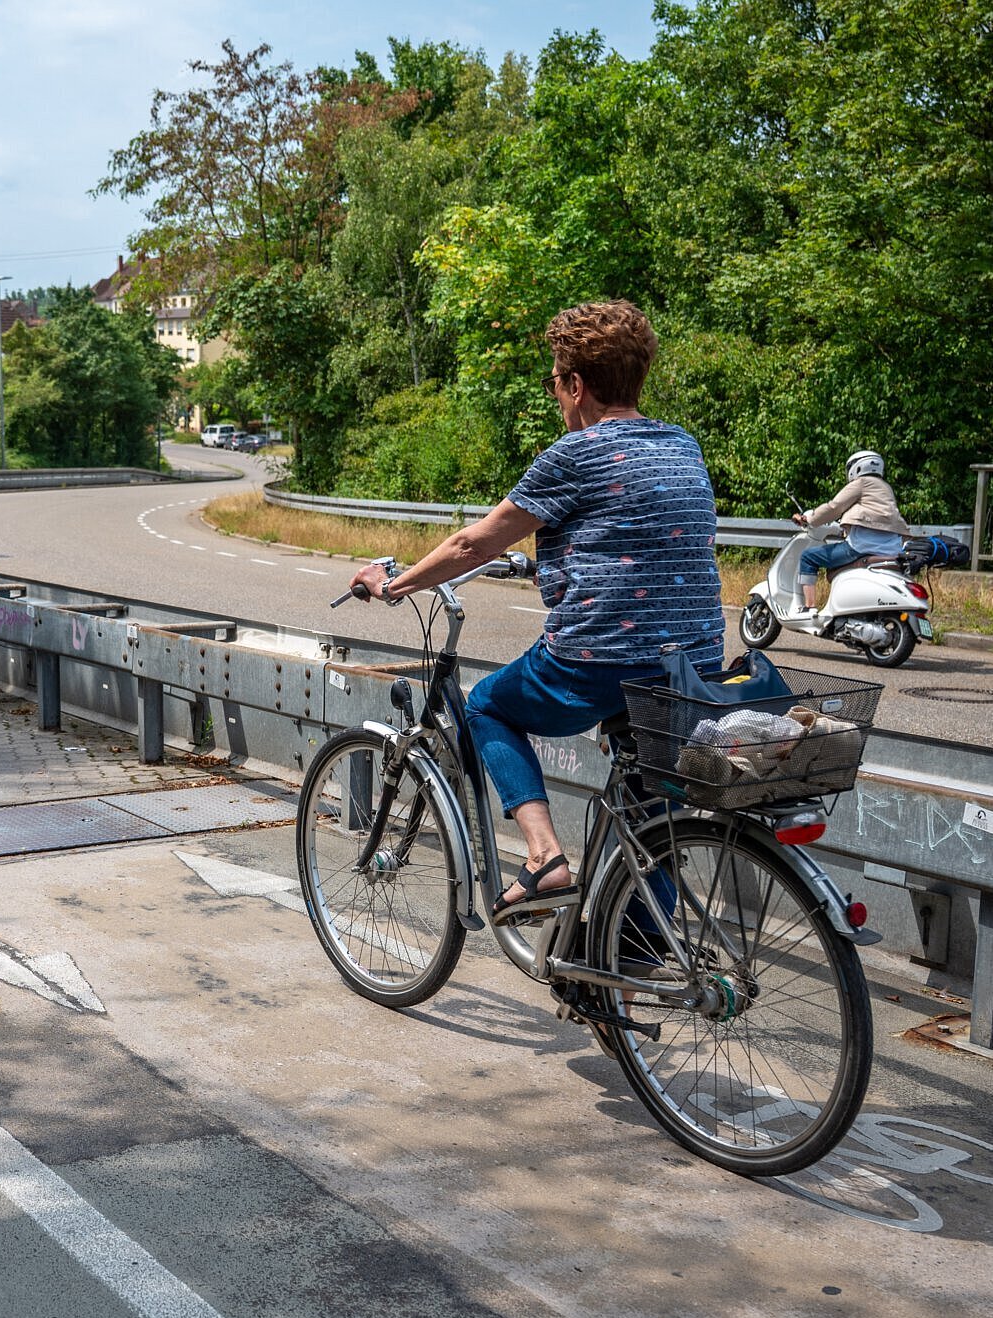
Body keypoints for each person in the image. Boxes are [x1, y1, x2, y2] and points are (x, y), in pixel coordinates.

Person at [348, 300, 725, 911]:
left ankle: (544, 856)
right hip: (694, 663)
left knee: (487, 705)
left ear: (576, 385)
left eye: (554, 380)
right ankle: (627, 969)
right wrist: (548, 565)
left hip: (603, 659)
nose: (555, 393)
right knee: (648, 812)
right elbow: (642, 541)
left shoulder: (575, 454)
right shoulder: (681, 445)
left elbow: (473, 542)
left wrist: (396, 585)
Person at [789, 450, 908, 614]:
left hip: (862, 546)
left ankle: (809, 608)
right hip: (892, 548)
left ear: (856, 467)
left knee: (809, 557)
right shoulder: (886, 488)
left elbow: (834, 507)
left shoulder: (861, 483)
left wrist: (810, 519)